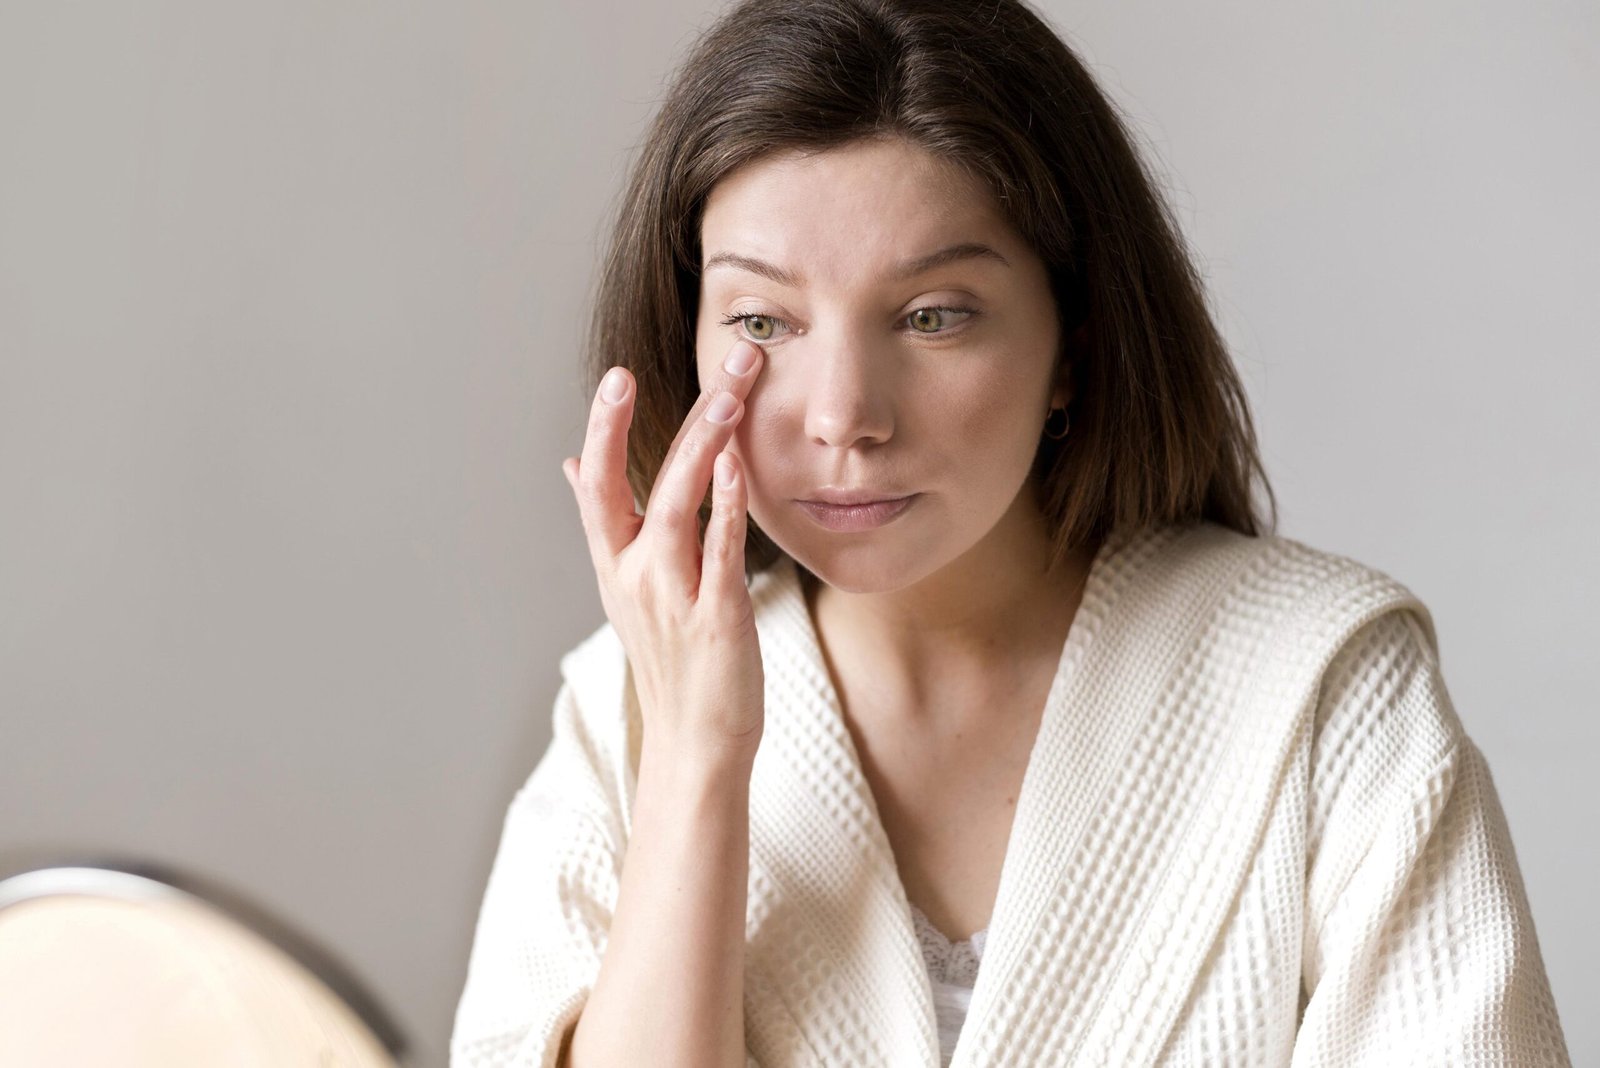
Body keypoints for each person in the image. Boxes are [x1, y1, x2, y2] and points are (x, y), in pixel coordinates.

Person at [450, 0, 1572, 1065]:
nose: (844, 415)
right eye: (759, 322)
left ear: (1072, 346)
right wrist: (697, 762)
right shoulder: (621, 715)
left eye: (934, 315)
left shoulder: (1324, 689)